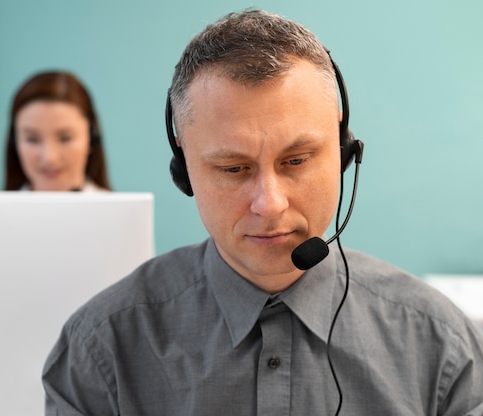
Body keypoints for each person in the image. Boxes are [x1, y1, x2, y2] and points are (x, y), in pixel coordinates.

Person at [42, 10, 483, 415]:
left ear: (343, 149)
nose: (270, 203)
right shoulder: (100, 350)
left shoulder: (444, 347)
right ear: (184, 169)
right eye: (233, 168)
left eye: (296, 160)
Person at [3, 71, 111, 191]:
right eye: (32, 139)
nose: (50, 158)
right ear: (14, 141)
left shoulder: (120, 210)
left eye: (65, 138)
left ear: (92, 138)